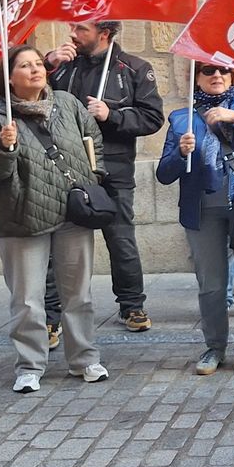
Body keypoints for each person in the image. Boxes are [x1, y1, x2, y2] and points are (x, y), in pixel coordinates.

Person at [0, 46, 109, 394]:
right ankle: (30, 365)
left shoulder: (67, 103)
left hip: (73, 212)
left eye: (38, 64)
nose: (35, 70)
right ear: (9, 78)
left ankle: (84, 359)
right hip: (22, 217)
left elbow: (92, 139)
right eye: (24, 65)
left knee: (78, 294)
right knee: (27, 299)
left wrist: (92, 177)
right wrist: (4, 148)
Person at [156, 62, 234, 378]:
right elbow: (164, 174)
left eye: (224, 71)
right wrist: (180, 153)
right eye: (208, 70)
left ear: (233, 76)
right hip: (202, 210)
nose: (216, 75)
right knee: (211, 286)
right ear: (196, 78)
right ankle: (215, 347)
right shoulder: (182, 118)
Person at [44, 20, 164, 333]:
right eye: (72, 26)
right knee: (57, 243)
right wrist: (48, 64)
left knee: (121, 239)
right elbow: (29, 96)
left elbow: (152, 118)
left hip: (114, 168)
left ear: (104, 33)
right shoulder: (61, 67)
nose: (72, 33)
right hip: (66, 168)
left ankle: (132, 305)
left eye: (81, 28)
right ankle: (51, 316)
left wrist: (112, 115)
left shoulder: (134, 68)